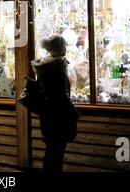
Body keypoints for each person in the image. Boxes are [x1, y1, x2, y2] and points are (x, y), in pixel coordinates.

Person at [31, 35, 78, 172]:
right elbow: (62, 96)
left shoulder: (45, 66)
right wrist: (74, 113)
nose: (66, 48)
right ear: (60, 48)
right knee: (57, 153)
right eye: (65, 46)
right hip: (58, 116)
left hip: (47, 115)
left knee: (51, 151)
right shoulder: (57, 68)